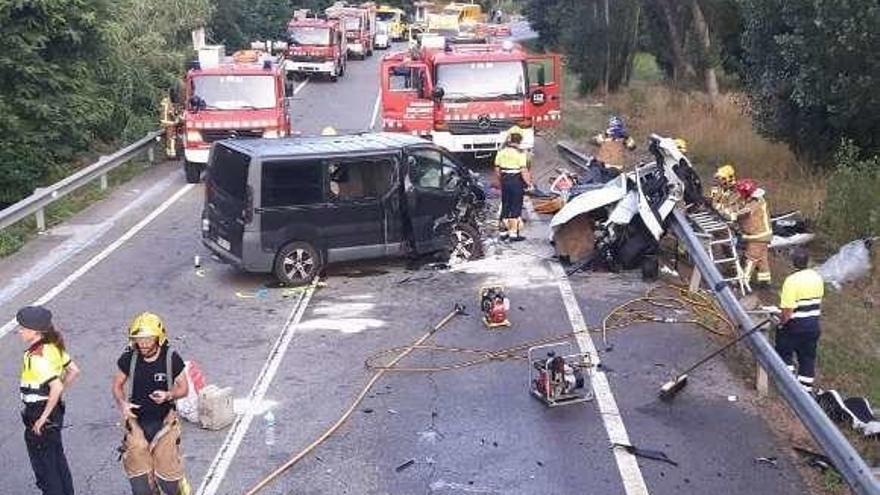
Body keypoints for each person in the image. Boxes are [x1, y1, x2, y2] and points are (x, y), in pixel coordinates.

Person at [112, 312, 190, 495]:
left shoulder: (171, 358)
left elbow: (184, 389)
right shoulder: (129, 358)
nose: (144, 343)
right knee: (141, 487)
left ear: (159, 338)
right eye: (139, 339)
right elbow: (117, 386)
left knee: (169, 483)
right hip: (137, 426)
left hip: (164, 425)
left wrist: (168, 395)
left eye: (148, 339)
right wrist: (123, 404)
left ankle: (179, 486)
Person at [18, 305, 80, 495]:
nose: (19, 331)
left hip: (39, 415)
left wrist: (43, 416)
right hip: (54, 412)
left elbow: (57, 386)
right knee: (57, 461)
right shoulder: (53, 347)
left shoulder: (37, 357)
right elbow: (73, 371)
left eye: (22, 328)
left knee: (46, 470)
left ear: (35, 331)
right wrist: (54, 398)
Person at [776, 247, 824, 393]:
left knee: (784, 351)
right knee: (807, 358)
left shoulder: (791, 281)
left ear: (793, 262)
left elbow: (788, 311)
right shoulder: (817, 277)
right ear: (807, 261)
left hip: (795, 326)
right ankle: (806, 390)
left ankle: (787, 384)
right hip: (813, 326)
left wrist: (781, 323)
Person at [728, 178, 772, 288]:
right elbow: (737, 205)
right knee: (761, 259)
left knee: (751, 258)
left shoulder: (757, 201)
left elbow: (746, 211)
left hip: (758, 236)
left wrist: (733, 215)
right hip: (759, 235)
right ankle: (765, 281)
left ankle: (742, 281)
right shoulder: (748, 199)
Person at [494, 128, 533, 241]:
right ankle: (513, 234)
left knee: (505, 205)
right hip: (516, 180)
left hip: (505, 179)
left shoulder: (501, 152)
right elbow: (523, 170)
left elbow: (497, 168)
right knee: (515, 206)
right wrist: (529, 184)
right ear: (520, 140)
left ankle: (503, 232)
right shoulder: (520, 153)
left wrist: (501, 181)